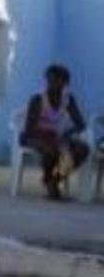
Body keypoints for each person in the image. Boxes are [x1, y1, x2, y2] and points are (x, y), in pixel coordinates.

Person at [21, 64, 89, 200]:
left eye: (58, 80)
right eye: (50, 80)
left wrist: (67, 134)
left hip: (56, 137)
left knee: (82, 150)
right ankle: (50, 182)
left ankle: (54, 180)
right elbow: (28, 130)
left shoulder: (68, 100)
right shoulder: (38, 100)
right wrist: (42, 142)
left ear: (65, 83)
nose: (53, 84)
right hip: (34, 136)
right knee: (53, 149)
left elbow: (80, 124)